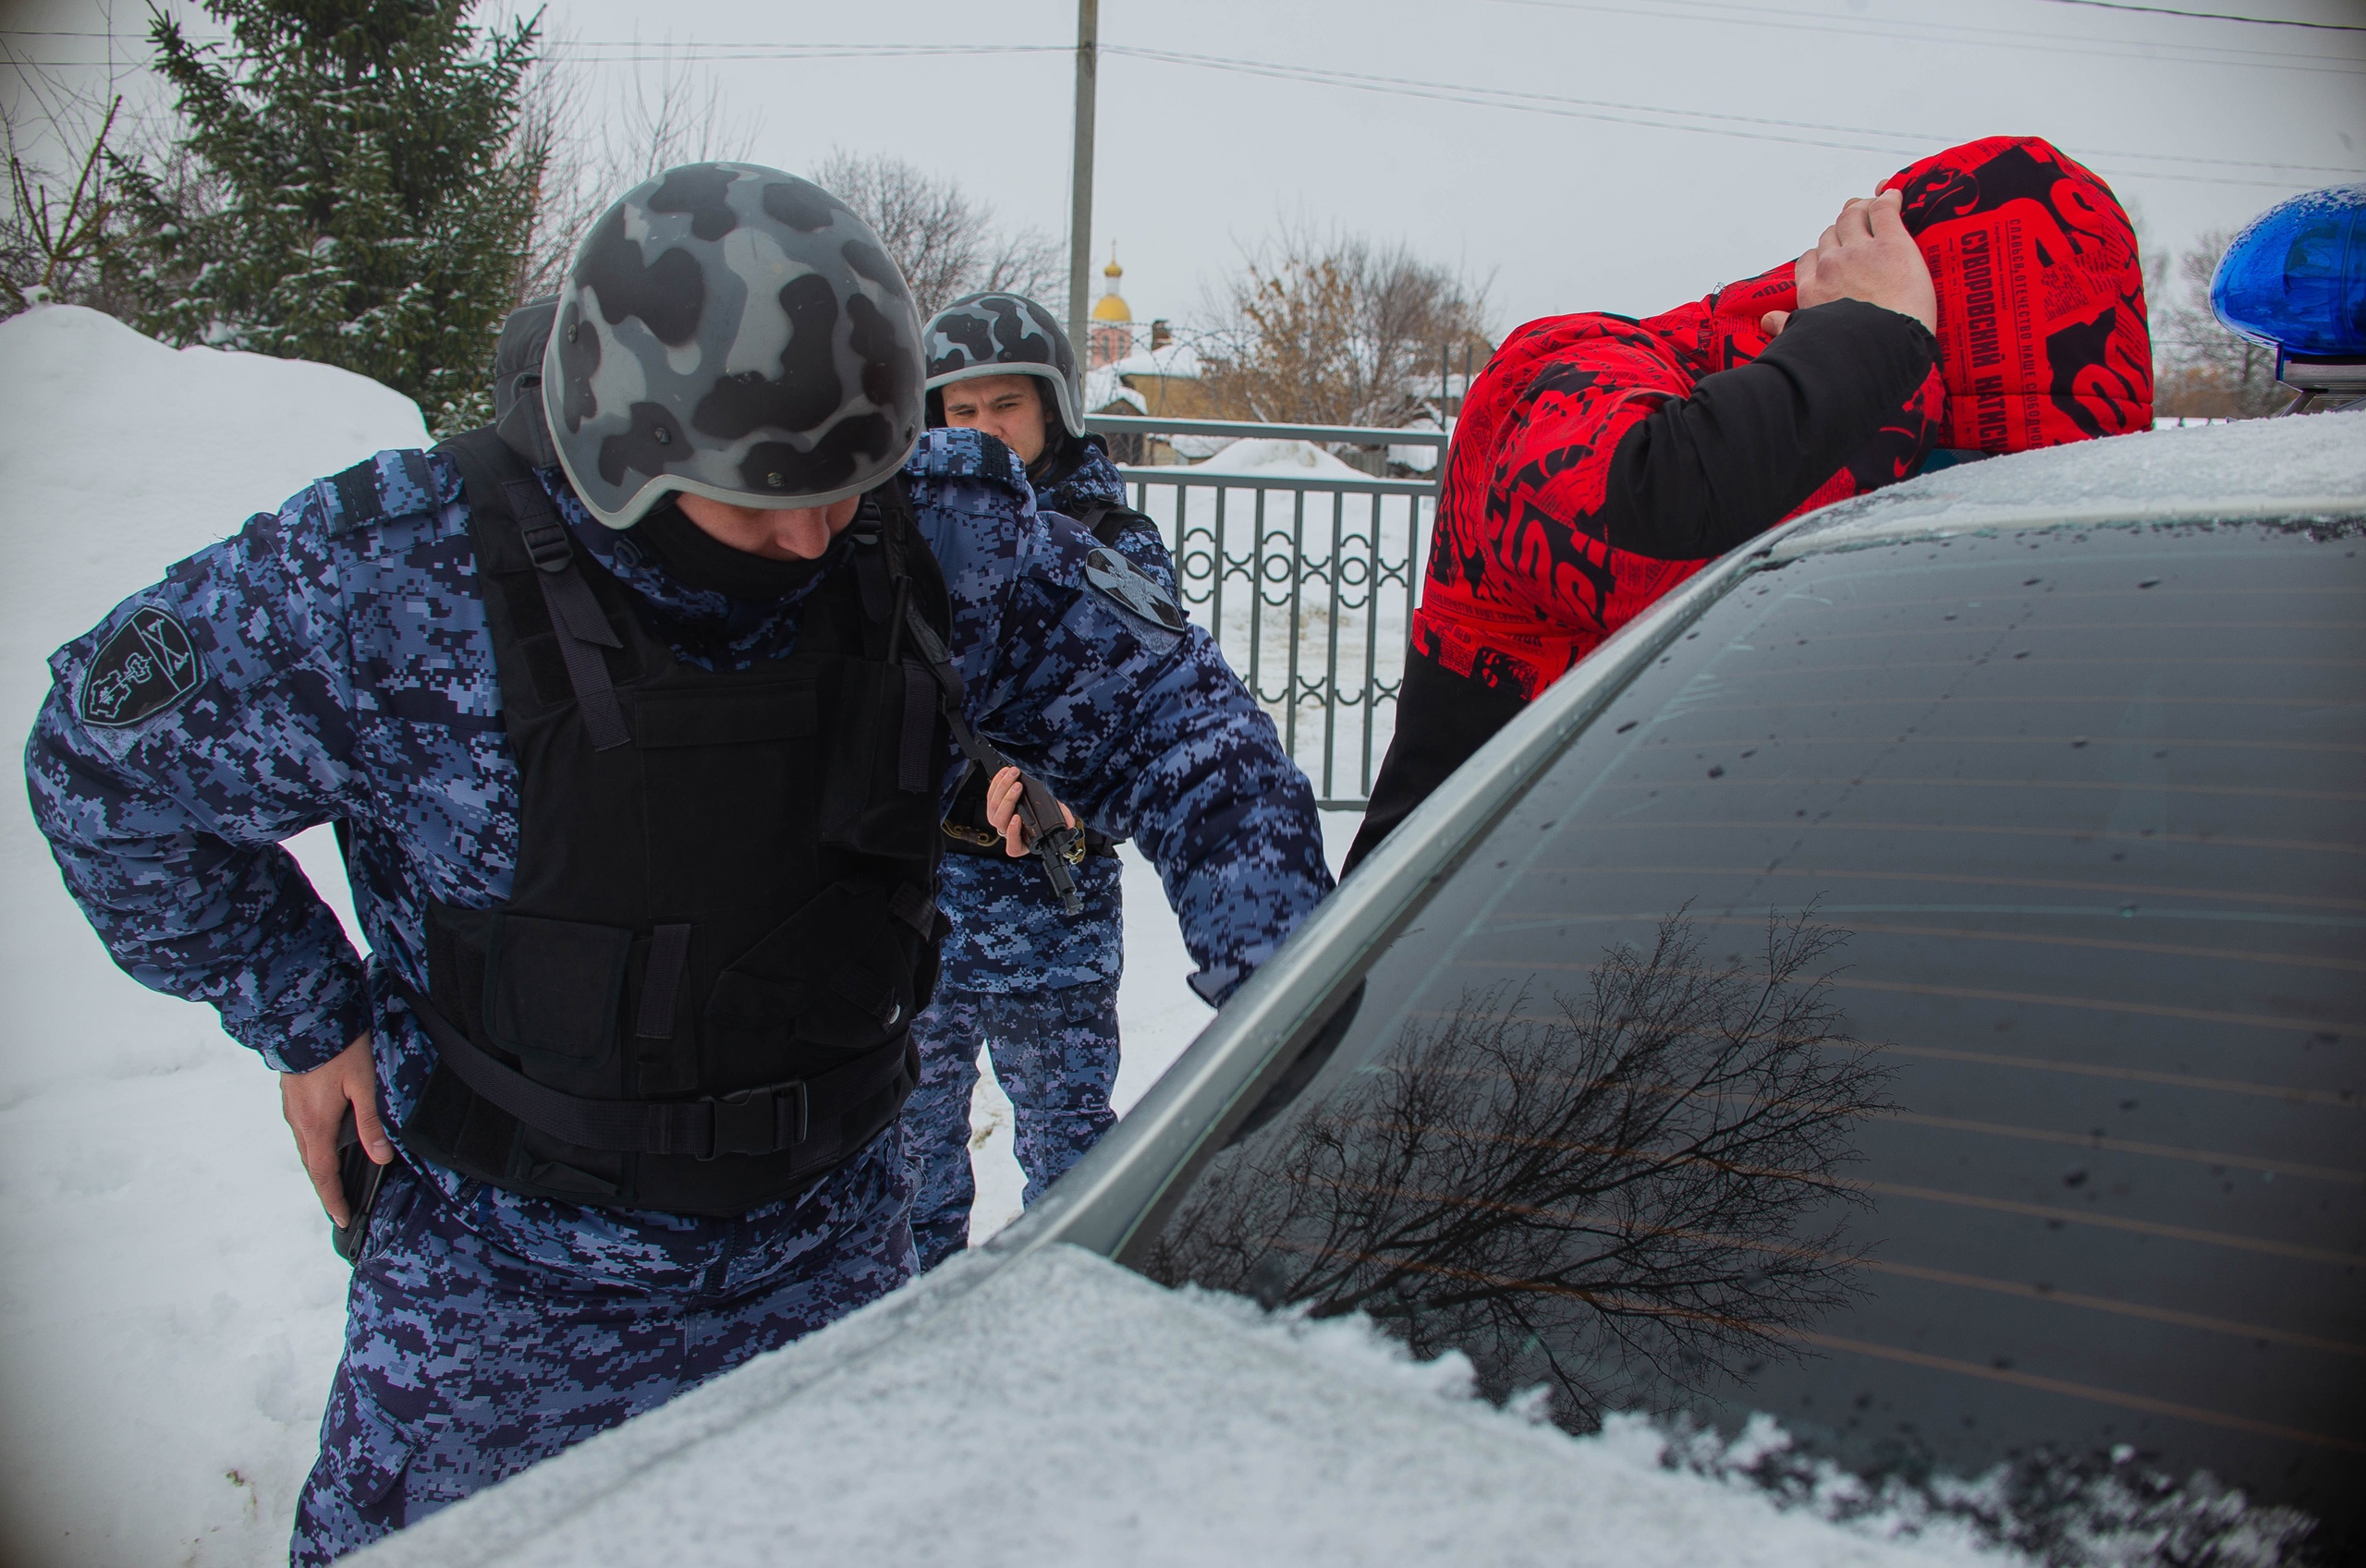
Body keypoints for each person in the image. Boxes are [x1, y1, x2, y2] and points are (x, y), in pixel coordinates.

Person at [24, 163, 1332, 1563]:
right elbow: (103, 771)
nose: (816, 532)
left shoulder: (940, 525)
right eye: (762, 495)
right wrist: (305, 1007)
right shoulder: (393, 574)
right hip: (503, 1310)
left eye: (850, 481)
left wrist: (1298, 1014)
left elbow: (1181, 726)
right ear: (623, 441)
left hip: (830, 1264)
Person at [1346, 134, 2153, 872]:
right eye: (1946, 457)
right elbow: (1652, 519)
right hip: (1428, 980)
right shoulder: (1561, 372)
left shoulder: (1871, 454)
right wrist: (1870, 341)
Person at [898, 291, 1177, 1269]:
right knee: (907, 1163)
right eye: (959, 410)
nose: (980, 431)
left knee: (1069, 1166)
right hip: (919, 906)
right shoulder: (896, 533)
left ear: (1051, 410)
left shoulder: (1108, 538)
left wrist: (1057, 786)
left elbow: (1138, 699)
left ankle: (1068, 1349)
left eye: (1003, 407)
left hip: (1048, 910)